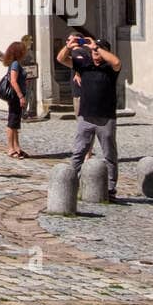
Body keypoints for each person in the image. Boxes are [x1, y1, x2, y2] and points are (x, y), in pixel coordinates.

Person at [57, 34, 122, 199]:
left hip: (105, 118)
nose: (96, 53)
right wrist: (69, 46)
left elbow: (116, 62)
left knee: (109, 155)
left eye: (99, 51)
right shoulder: (84, 64)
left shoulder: (109, 68)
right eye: (93, 51)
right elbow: (61, 59)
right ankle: (71, 184)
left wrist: (96, 47)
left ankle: (110, 189)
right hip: (85, 117)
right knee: (78, 153)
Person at [1, 41, 29, 158]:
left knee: (16, 122)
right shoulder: (15, 64)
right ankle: (10, 148)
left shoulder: (16, 64)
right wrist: (20, 96)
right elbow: (13, 81)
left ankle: (17, 147)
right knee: (12, 122)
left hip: (16, 96)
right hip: (15, 97)